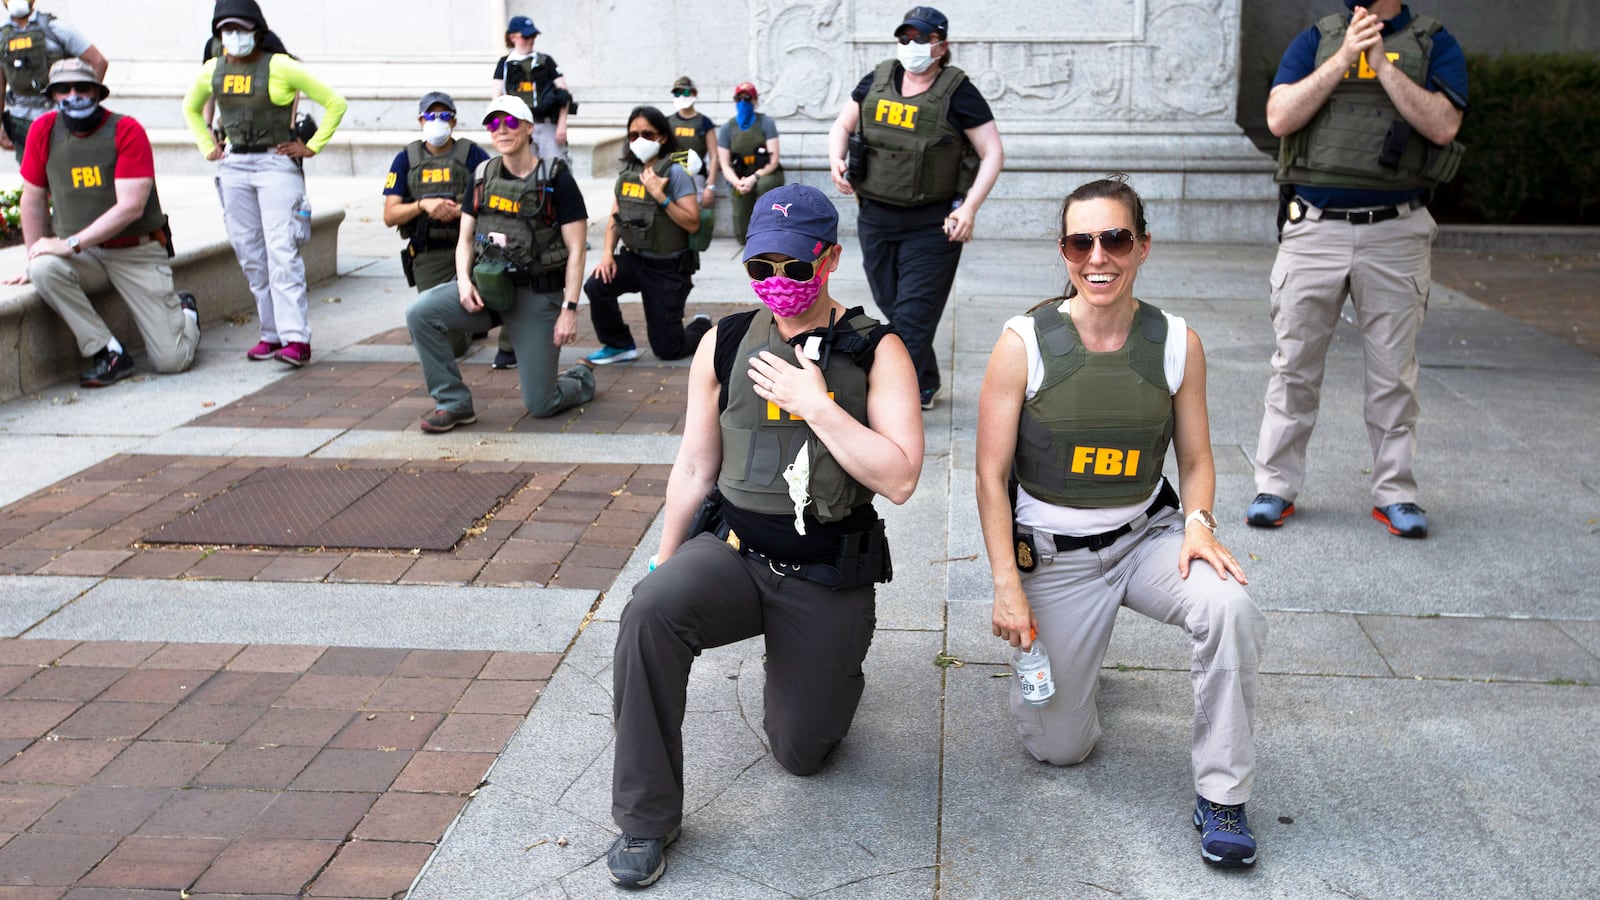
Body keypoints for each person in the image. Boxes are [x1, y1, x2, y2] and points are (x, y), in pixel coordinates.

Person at [606, 183, 923, 889]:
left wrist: (817, 405)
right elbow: (695, 464)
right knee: (647, 614)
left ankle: (830, 671)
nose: (777, 282)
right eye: (761, 268)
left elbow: (900, 480)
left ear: (831, 257)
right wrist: (664, 558)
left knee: (800, 751)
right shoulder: (722, 342)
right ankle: (645, 818)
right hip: (735, 556)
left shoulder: (878, 349)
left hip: (824, 571)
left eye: (794, 266)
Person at [976, 177, 1266, 868]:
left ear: (1142, 245)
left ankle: (1223, 795)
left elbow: (1196, 457)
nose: (1097, 256)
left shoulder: (1175, 342)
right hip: (1054, 554)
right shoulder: (1024, 343)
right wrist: (1006, 585)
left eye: (1115, 239)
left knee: (1230, 605)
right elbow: (990, 476)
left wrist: (1198, 522)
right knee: (1061, 750)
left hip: (1147, 540)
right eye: (1082, 241)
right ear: (1064, 251)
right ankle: (1074, 664)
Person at [1248, 0, 1467, 539]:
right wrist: (1346, 54)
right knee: (1293, 365)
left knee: (1393, 372)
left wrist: (1385, 65)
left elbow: (1442, 126)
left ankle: (1396, 493)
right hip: (1315, 228)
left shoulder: (1434, 42)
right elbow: (1280, 117)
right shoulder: (1316, 40)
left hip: (1396, 230)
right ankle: (1274, 486)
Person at [827, 5, 1004, 411]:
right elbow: (842, 125)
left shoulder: (959, 91)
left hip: (932, 225)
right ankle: (924, 380)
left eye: (922, 38)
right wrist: (836, 159)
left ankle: (889, 404)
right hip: (875, 217)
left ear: (941, 46)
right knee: (892, 304)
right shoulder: (878, 78)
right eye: (905, 37)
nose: (912, 46)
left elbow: (992, 152)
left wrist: (970, 208)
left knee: (910, 320)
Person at [404, 94, 593, 434]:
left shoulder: (556, 179)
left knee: (541, 404)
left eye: (509, 122)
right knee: (421, 313)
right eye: (493, 123)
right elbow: (464, 240)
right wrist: (463, 282)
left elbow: (577, 250)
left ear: (529, 128)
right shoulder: (481, 175)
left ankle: (580, 376)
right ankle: (453, 403)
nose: (501, 130)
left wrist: (569, 309)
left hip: (536, 295)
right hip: (487, 289)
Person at [2, 59, 197, 387]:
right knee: (43, 269)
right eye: (64, 89)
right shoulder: (43, 131)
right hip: (85, 257)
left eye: (83, 88)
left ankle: (186, 311)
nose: (73, 95)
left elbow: (131, 208)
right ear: (53, 96)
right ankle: (108, 351)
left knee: (172, 361)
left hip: (137, 252)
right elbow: (32, 199)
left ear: (98, 92)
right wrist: (35, 252)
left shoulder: (126, 130)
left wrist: (69, 244)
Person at [181, 0, 346, 368]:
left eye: (241, 29)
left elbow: (335, 103)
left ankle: (296, 339)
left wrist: (312, 147)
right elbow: (190, 107)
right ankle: (270, 333)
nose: (234, 37)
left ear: (257, 29)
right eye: (226, 30)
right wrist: (207, 145)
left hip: (275, 163)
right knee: (250, 253)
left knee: (282, 251)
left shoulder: (280, 65)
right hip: (235, 163)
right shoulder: (214, 69)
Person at [583, 105, 709, 366]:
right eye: (633, 135)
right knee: (596, 284)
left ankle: (702, 326)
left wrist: (660, 196)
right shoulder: (629, 172)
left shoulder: (675, 172)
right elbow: (615, 217)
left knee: (668, 349)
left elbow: (693, 223)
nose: (639, 140)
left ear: (662, 137)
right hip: (635, 259)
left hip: (668, 269)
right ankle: (619, 344)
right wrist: (607, 255)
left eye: (647, 134)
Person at [381, 91, 493, 360]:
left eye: (444, 116)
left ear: (453, 122)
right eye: (431, 115)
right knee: (448, 345)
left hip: (471, 252)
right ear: (421, 120)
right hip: (429, 254)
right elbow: (390, 215)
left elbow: (493, 197)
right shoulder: (406, 159)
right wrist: (423, 205)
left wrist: (461, 210)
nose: (437, 121)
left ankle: (478, 323)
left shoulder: (472, 154)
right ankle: (466, 327)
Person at [0, 0, 106, 164]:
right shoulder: (2, 38)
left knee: (63, 172)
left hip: (58, 117)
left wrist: (85, 106)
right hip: (20, 121)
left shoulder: (56, 29)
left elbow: (98, 62)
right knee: (32, 175)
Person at [492, 15, 569, 163]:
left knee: (555, 168)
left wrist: (562, 123)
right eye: (526, 37)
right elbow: (496, 98)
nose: (530, 40)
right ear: (513, 37)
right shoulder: (505, 63)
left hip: (546, 124)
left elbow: (564, 94)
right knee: (524, 171)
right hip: (519, 126)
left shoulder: (545, 61)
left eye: (533, 36)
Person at [715, 81, 783, 244]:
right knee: (742, 231)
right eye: (739, 98)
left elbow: (773, 161)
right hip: (741, 177)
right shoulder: (727, 128)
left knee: (765, 186)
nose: (743, 102)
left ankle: (769, 233)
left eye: (748, 98)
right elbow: (724, 164)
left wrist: (754, 178)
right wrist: (737, 183)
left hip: (765, 174)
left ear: (755, 100)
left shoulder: (766, 123)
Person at [666, 75, 717, 213]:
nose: (682, 96)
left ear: (695, 93)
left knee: (696, 216)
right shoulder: (667, 122)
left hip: (696, 176)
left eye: (686, 92)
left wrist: (710, 185)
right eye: (677, 93)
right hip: (672, 174)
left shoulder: (704, 123)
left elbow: (714, 156)